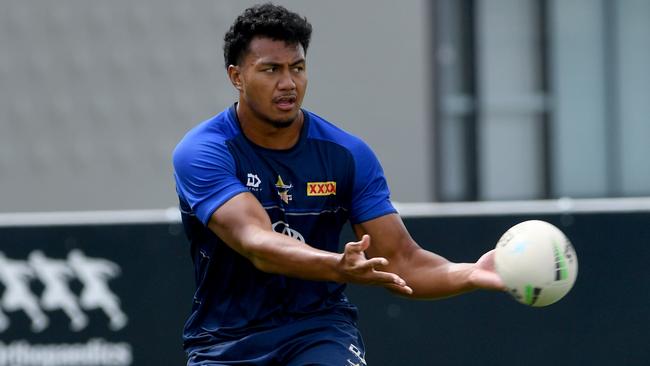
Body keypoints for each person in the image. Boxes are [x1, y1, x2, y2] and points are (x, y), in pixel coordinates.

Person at [172, 3, 504, 365]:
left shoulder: (347, 154)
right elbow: (257, 244)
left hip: (318, 331)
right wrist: (337, 265)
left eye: (297, 68)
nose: (288, 83)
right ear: (237, 77)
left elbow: (401, 259)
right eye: (271, 70)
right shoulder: (203, 151)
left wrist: (471, 272)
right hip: (226, 343)